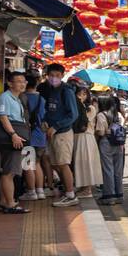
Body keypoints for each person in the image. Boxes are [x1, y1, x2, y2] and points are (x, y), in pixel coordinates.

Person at [38, 62, 80, 207]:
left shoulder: (66, 91)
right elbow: (50, 111)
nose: (54, 78)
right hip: (52, 133)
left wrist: (56, 126)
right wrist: (45, 122)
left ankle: (70, 195)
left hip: (62, 133)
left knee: (63, 164)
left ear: (62, 76)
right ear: (47, 76)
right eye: (51, 75)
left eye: (57, 75)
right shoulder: (50, 90)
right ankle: (67, 190)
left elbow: (73, 114)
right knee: (56, 164)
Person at [0, 70, 33, 214]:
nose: (22, 84)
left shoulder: (18, 98)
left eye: (24, 81)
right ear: (10, 83)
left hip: (15, 136)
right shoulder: (5, 97)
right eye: (18, 81)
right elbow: (3, 117)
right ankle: (10, 204)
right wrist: (13, 134)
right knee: (9, 172)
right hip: (12, 137)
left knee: (7, 171)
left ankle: (4, 201)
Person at [70, 79, 102, 197]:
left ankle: (87, 189)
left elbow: (82, 120)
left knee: (86, 162)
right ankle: (83, 186)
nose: (81, 96)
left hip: (86, 137)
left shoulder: (90, 108)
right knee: (79, 162)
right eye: (79, 94)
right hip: (77, 137)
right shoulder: (78, 107)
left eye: (84, 94)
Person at [95, 91, 127, 206]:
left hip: (106, 142)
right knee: (118, 170)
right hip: (118, 143)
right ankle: (119, 195)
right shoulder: (115, 114)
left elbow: (101, 131)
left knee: (108, 169)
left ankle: (109, 196)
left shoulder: (101, 115)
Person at [20, 72, 48, 202]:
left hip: (28, 135)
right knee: (37, 164)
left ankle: (31, 192)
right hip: (41, 136)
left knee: (28, 164)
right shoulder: (42, 99)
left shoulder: (22, 97)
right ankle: (40, 191)